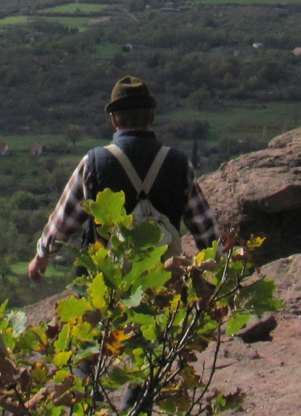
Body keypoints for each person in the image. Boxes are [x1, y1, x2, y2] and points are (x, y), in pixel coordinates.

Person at [28, 76, 216, 282]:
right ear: (151, 117)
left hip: (108, 284)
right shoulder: (179, 163)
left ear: (114, 119)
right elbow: (205, 228)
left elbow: (65, 220)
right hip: (163, 283)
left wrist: (42, 256)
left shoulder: (94, 163)